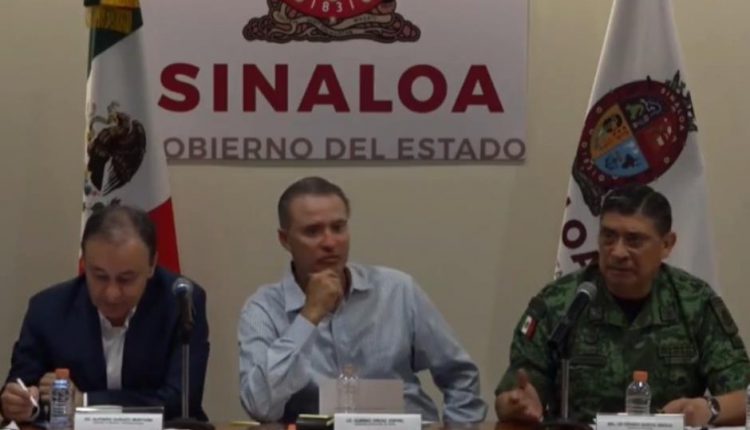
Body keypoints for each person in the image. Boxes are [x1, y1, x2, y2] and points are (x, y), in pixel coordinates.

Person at [495, 184, 750, 426]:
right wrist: (517, 403)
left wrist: (709, 409)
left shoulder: (694, 301)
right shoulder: (561, 302)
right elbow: (514, 394)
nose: (617, 252)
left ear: (667, 244)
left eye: (634, 240)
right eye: (608, 237)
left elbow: (744, 396)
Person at [238, 176, 487, 423]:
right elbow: (260, 406)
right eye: (312, 231)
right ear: (285, 240)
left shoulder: (397, 290)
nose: (330, 242)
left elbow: (460, 376)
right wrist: (309, 316)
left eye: (338, 227)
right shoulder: (263, 309)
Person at [0, 205, 210, 423]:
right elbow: (22, 387)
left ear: (152, 265)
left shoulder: (181, 301)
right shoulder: (48, 309)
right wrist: (23, 405)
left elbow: (182, 400)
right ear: (84, 263)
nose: (112, 294)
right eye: (100, 276)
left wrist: (86, 401)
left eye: (126, 279)